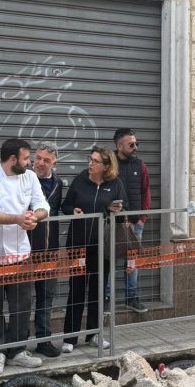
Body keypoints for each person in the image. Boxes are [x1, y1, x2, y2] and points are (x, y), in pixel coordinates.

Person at [0, 142, 63, 357]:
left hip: (20, 253)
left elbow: (44, 206)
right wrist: (17, 219)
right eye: (25, 159)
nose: (30, 162)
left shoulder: (29, 177)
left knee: (21, 306)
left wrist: (34, 217)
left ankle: (17, 350)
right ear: (13, 159)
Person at [61, 146, 129, 352]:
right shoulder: (80, 179)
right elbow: (65, 205)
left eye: (95, 161)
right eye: (90, 159)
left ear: (106, 166)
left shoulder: (115, 184)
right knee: (76, 290)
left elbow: (125, 209)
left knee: (98, 291)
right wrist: (73, 210)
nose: (90, 164)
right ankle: (70, 338)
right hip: (78, 245)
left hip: (103, 246)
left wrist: (116, 209)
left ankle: (94, 334)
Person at [107, 127, 151, 314]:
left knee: (132, 263)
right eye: (131, 144)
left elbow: (145, 192)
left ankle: (131, 298)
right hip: (112, 224)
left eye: (136, 143)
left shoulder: (140, 165)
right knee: (109, 262)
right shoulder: (108, 164)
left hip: (134, 225)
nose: (135, 147)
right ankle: (106, 299)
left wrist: (142, 219)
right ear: (119, 146)